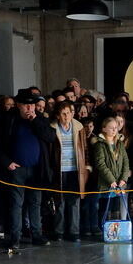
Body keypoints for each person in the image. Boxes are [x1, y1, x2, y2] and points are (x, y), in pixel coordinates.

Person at [0, 89, 55, 249]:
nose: (30, 108)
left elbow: (50, 137)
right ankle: (15, 238)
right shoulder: (9, 119)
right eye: (26, 105)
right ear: (19, 105)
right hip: (17, 169)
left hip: (36, 168)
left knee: (35, 203)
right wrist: (7, 162)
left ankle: (36, 234)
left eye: (32, 105)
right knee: (16, 204)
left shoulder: (40, 118)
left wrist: (35, 120)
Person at [50, 101, 90, 242]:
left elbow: (85, 149)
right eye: (63, 113)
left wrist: (87, 167)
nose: (66, 116)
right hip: (60, 170)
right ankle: (59, 231)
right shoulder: (53, 128)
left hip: (75, 170)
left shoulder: (79, 128)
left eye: (68, 113)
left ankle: (74, 232)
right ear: (58, 115)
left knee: (74, 202)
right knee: (59, 202)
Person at [91, 117, 131, 224]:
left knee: (116, 210)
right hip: (107, 185)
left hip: (119, 185)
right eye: (111, 128)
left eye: (116, 128)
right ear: (104, 129)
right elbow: (101, 164)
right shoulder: (100, 145)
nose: (114, 130)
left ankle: (115, 234)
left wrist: (123, 179)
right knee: (105, 210)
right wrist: (111, 180)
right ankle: (105, 232)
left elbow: (126, 162)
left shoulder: (120, 144)